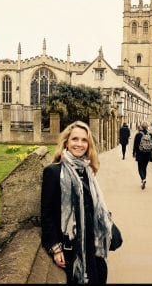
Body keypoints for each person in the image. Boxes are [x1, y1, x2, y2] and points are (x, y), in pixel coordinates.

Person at [41, 121, 113, 284]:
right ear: (66, 142)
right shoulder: (53, 172)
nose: (79, 144)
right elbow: (47, 214)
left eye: (84, 140)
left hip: (93, 246)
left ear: (89, 144)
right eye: (75, 139)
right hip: (71, 249)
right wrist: (55, 248)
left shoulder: (87, 170)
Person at [132, 121, 152, 190]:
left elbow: (135, 145)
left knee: (140, 168)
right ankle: (144, 179)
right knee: (144, 168)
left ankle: (143, 179)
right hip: (147, 154)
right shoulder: (150, 134)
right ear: (147, 127)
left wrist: (134, 153)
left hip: (140, 154)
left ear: (141, 126)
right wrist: (149, 151)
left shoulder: (138, 135)